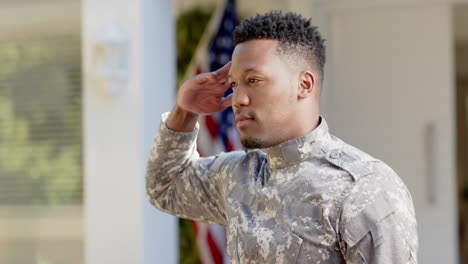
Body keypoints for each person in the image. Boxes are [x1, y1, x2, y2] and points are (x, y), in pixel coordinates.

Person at [146, 11, 418, 263]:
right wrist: (184, 112)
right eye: (233, 84)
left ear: (304, 85)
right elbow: (165, 187)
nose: (237, 99)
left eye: (253, 80)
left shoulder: (362, 189)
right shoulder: (238, 175)